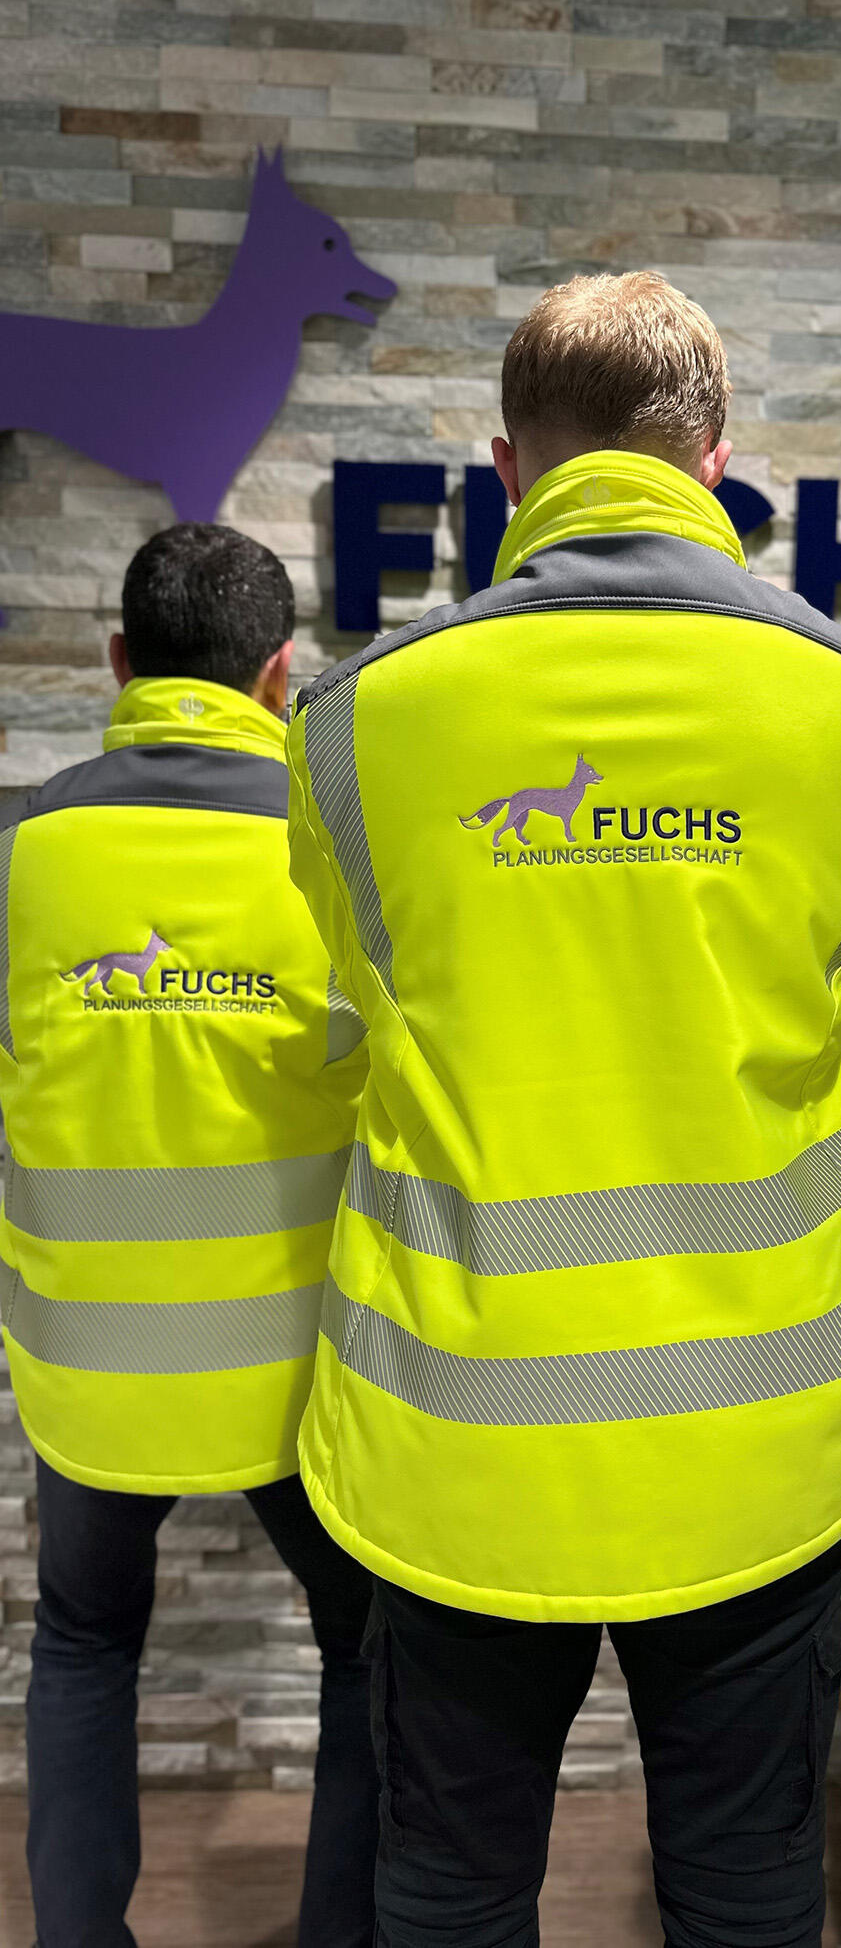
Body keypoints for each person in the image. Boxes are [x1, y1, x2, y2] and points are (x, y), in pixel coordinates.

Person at [286, 270, 841, 1948]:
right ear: (715, 461)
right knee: (746, 1891)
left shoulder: (353, 718)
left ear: (509, 467)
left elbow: (364, 987)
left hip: (456, 1435)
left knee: (450, 1890)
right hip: (760, 1440)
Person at [0, 525, 377, 1948]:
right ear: (280, 676)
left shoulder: (21, 849)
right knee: (365, 1650)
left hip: (85, 1367)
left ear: (119, 660)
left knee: (84, 1645)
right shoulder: (332, 846)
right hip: (293, 1373)